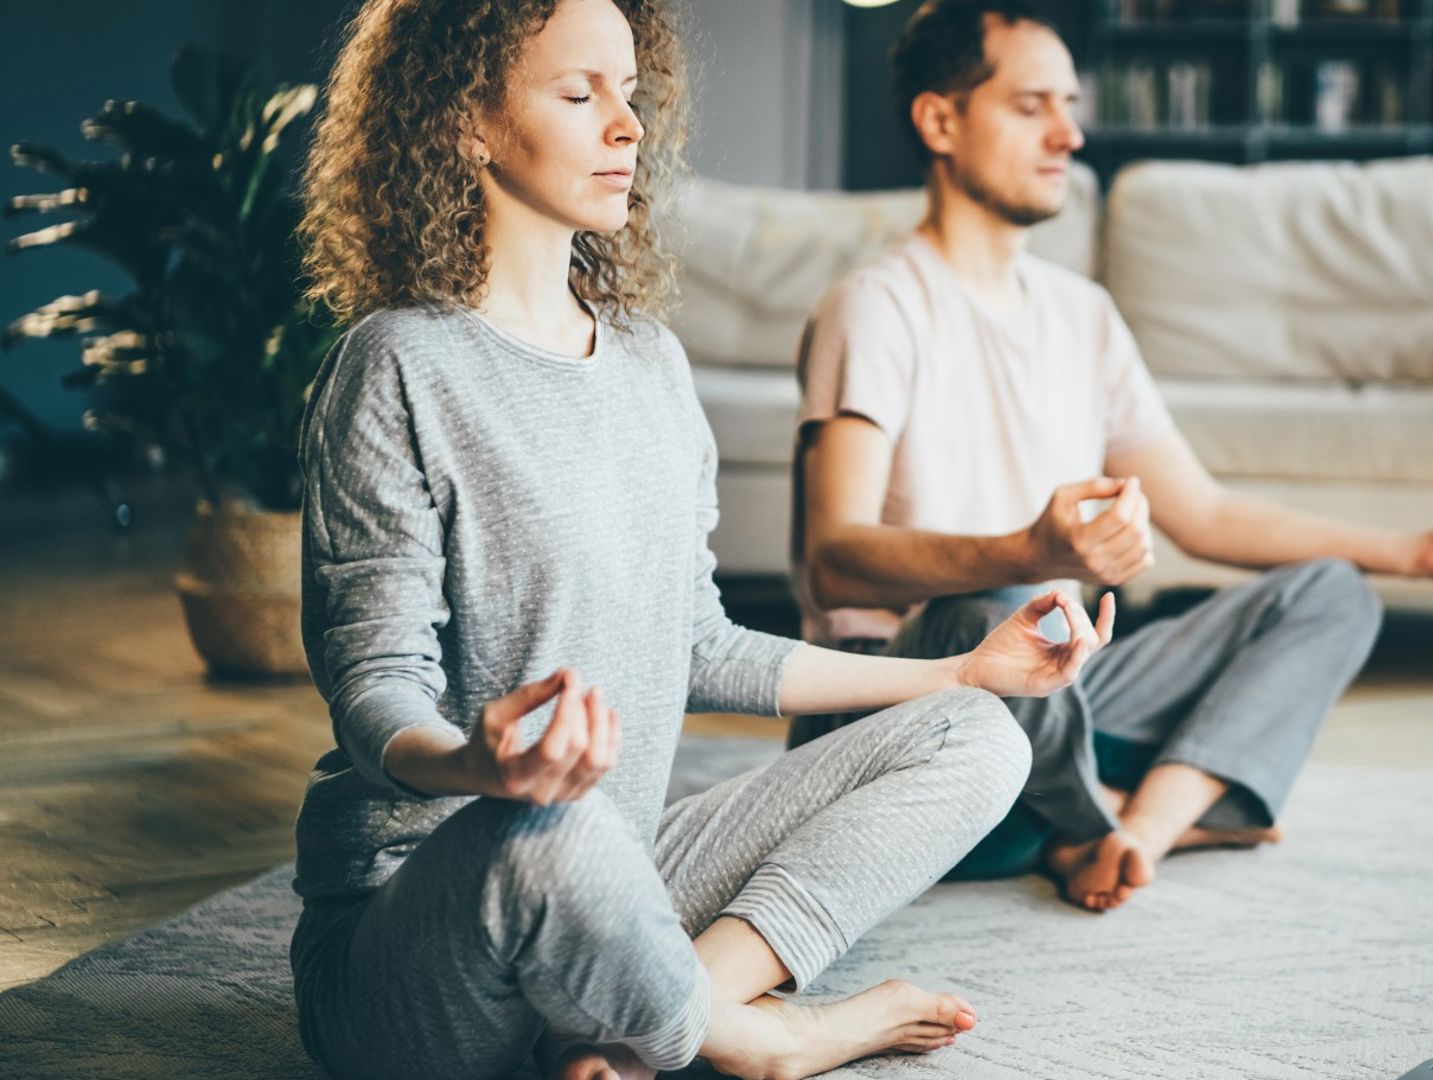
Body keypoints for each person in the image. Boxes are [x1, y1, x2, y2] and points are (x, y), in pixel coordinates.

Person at [290, 2, 1117, 1078]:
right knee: (556, 829)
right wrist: (476, 765)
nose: (627, 125)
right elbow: (374, 687)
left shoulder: (650, 364)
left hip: (620, 874)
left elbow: (702, 645)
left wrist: (962, 669)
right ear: (467, 121)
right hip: (432, 924)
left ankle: (647, 1014)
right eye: (579, 93)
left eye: (631, 93)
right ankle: (768, 1037)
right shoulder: (396, 365)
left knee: (979, 734)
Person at [790, 0, 1433, 913]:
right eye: (1031, 107)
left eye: (1070, 105)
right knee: (1004, 606)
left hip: (1047, 694)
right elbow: (836, 557)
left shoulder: (1082, 316)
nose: (1069, 135)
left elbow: (1206, 514)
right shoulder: (877, 305)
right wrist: (1027, 552)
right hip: (895, 707)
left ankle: (1131, 834)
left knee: (1333, 594)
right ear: (939, 121)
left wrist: (1418, 552)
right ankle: (1103, 815)